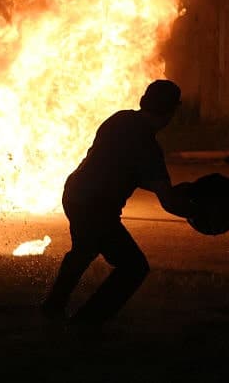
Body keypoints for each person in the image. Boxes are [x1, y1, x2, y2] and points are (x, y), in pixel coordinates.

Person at [41, 79, 197, 327]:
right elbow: (167, 201)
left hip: (74, 194)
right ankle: (85, 325)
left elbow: (118, 165)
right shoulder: (149, 149)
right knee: (134, 267)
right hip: (97, 208)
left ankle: (51, 309)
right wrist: (196, 212)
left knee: (84, 250)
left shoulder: (119, 119)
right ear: (169, 112)